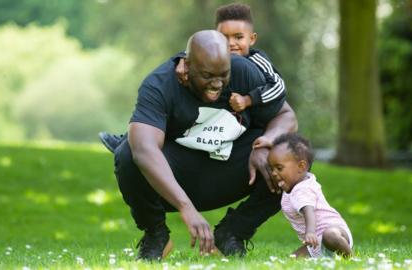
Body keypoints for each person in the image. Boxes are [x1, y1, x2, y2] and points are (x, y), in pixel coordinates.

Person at [114, 30, 297, 261]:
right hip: (177, 174)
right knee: (128, 153)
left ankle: (232, 233)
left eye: (223, 75)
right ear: (186, 66)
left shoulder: (243, 71)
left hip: (231, 169)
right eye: (208, 75)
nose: (217, 84)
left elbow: (286, 116)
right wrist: (185, 206)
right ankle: (156, 235)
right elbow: (143, 148)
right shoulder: (160, 84)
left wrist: (265, 144)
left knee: (292, 158)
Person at [99, 3, 286, 152]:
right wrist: (180, 59)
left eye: (239, 37)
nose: (231, 44)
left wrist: (248, 100)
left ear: (252, 39)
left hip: (241, 118)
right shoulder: (216, 58)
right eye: (224, 37)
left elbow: (278, 86)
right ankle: (128, 140)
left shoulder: (257, 61)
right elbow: (196, 54)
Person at [258, 133, 353, 258]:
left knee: (330, 236)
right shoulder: (294, 183)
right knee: (291, 261)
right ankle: (327, 256)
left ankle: (351, 260)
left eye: (279, 168)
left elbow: (309, 211)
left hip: (335, 232)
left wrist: (310, 232)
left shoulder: (302, 189)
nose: (274, 174)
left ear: (301, 166)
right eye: (271, 169)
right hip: (316, 242)